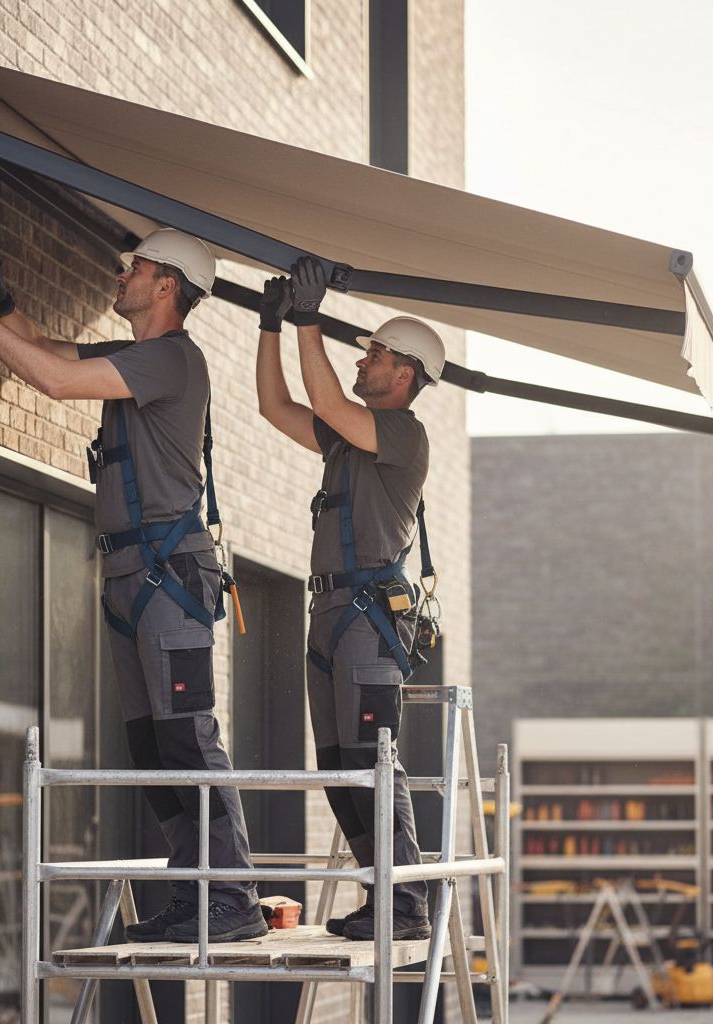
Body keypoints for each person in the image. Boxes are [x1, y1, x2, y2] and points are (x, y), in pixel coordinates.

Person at [0, 228, 266, 943]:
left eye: (138, 266)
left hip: (168, 575)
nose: (123, 273)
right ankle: (194, 892)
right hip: (131, 573)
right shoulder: (137, 357)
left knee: (188, 737)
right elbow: (56, 351)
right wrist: (2, 302)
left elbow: (54, 382)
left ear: (166, 287)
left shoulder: (172, 360)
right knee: (151, 746)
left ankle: (233, 896)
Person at [255, 256, 446, 941]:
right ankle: (383, 893)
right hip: (329, 616)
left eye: (376, 353)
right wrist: (270, 326)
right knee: (339, 771)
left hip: (366, 620)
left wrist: (308, 318)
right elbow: (276, 408)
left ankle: (406, 904)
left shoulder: (402, 435)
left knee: (372, 763)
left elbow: (329, 403)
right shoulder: (346, 442)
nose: (365, 359)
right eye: (366, 351)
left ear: (406, 376)